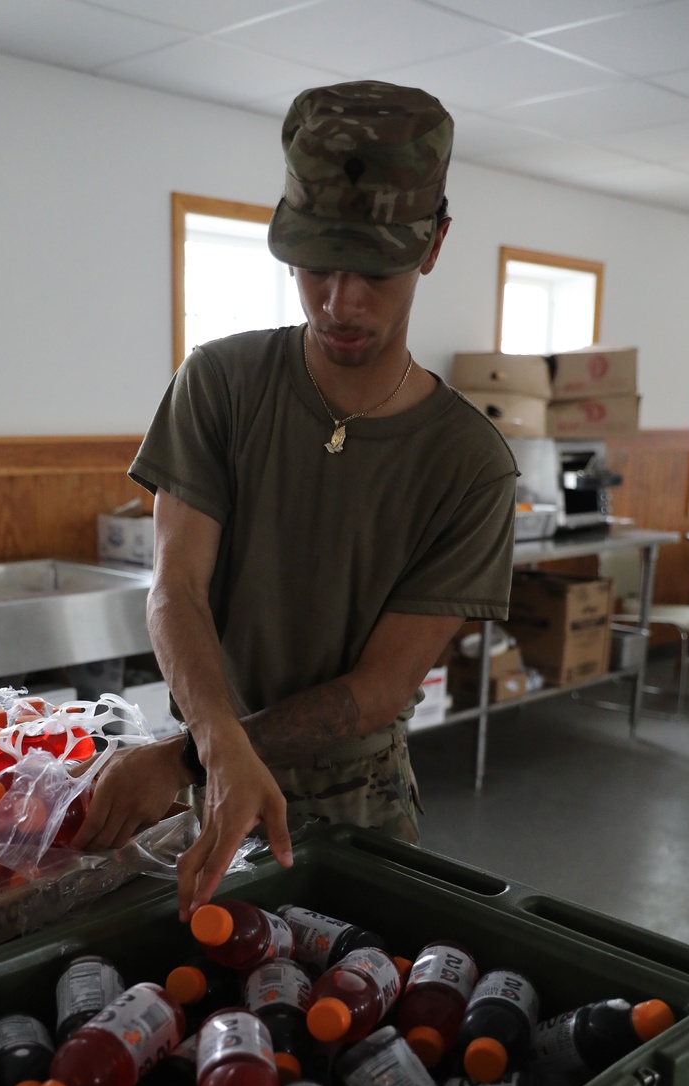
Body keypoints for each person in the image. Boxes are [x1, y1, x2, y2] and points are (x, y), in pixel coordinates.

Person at [75, 80, 517, 920]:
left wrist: (189, 758)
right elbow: (177, 588)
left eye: (375, 268)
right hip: (211, 772)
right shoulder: (221, 385)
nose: (340, 301)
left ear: (432, 245)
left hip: (359, 809)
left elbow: (382, 687)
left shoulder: (470, 467)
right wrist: (212, 748)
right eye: (316, 262)